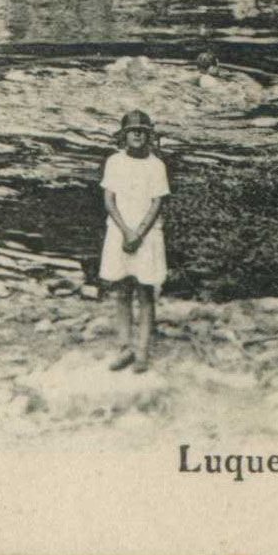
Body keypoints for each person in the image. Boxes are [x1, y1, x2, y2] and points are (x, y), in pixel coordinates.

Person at [100, 109, 170, 372]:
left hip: (148, 235)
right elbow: (109, 200)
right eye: (132, 132)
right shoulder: (114, 162)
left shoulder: (156, 165)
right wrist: (126, 231)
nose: (137, 135)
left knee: (146, 291)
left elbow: (157, 203)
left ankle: (142, 351)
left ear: (149, 136)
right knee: (121, 290)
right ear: (124, 136)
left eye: (142, 131)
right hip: (119, 232)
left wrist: (138, 233)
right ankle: (124, 347)